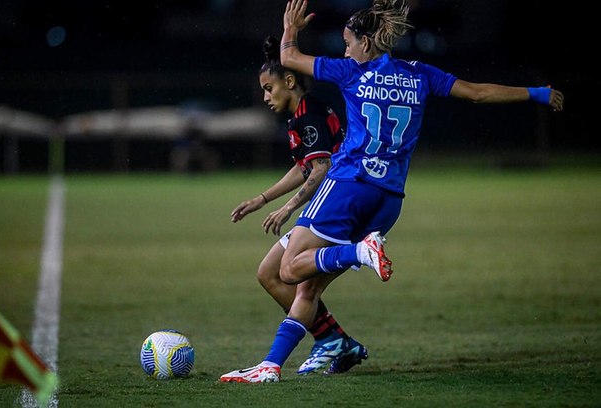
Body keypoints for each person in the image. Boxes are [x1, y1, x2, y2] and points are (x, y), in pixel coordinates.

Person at [220, 0, 564, 383]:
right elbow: (478, 93)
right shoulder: (420, 74)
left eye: (349, 42)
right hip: (388, 202)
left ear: (366, 44)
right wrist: (535, 93)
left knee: (289, 269)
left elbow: (290, 56)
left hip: (349, 185)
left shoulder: (352, 72)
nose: (345, 50)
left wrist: (290, 27)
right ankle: (281, 362)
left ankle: (360, 253)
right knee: (301, 284)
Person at [228, 35, 369, 377]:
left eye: (269, 88)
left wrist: (287, 207)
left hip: (336, 207)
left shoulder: (309, 114)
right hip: (329, 202)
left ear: (289, 81)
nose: (265, 97)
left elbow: (320, 170)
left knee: (296, 280)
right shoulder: (303, 115)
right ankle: (333, 338)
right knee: (269, 273)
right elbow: (304, 166)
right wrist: (262, 199)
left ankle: (326, 340)